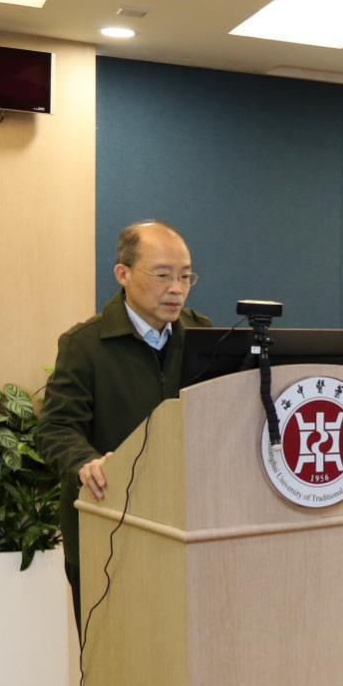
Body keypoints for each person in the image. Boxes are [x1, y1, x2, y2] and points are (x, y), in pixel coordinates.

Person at [36, 220, 211, 632]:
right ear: (123, 273)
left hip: (183, 527)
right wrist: (86, 462)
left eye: (185, 277)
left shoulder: (203, 335)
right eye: (163, 275)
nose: (177, 289)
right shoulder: (85, 344)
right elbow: (56, 428)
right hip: (107, 528)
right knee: (112, 655)